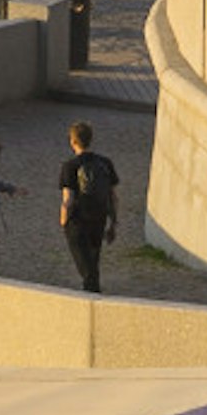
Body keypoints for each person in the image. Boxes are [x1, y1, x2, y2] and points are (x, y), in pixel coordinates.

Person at [57, 122, 120, 296]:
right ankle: (93, 294)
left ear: (72, 141)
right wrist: (114, 222)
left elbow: (68, 199)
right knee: (93, 261)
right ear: (91, 140)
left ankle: (92, 298)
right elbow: (113, 196)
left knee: (86, 267)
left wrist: (63, 220)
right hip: (99, 217)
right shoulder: (105, 163)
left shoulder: (70, 166)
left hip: (78, 220)